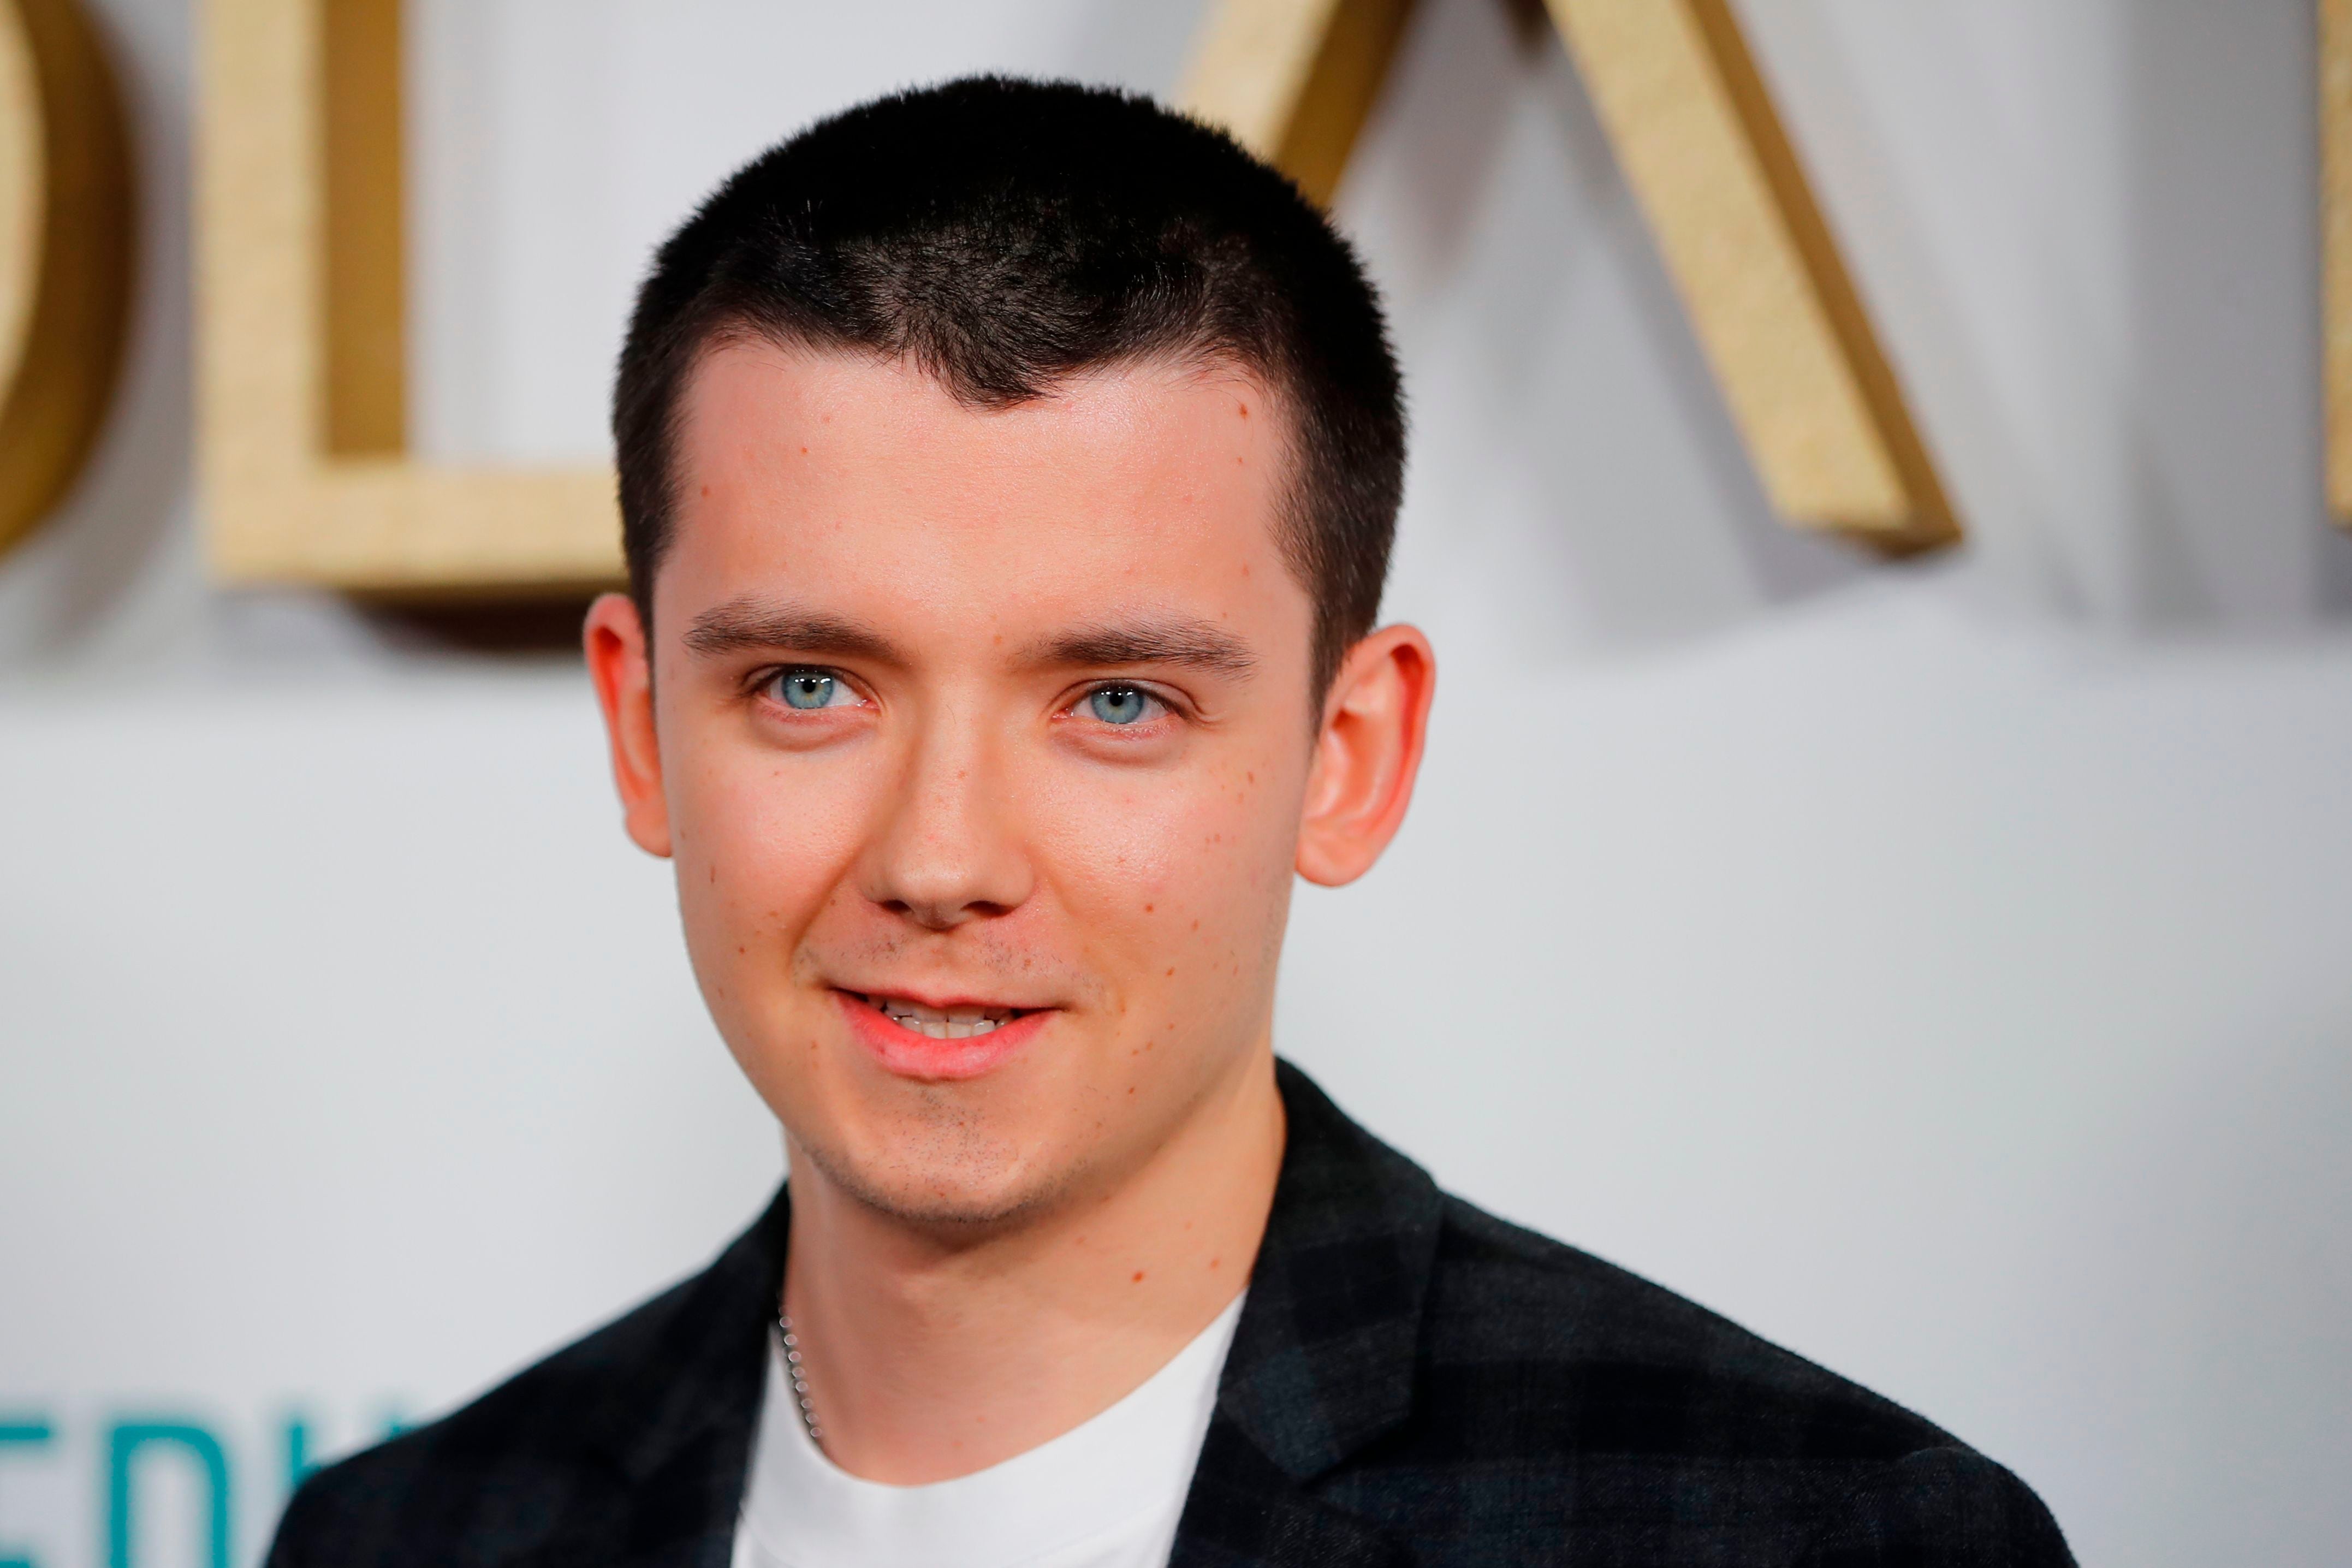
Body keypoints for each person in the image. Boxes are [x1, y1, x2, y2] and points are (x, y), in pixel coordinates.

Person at [265, 77, 2071, 1568]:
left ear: (1348, 755)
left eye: (1115, 702)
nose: (941, 860)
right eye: (809, 685)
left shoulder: (1812, 1542)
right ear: (639, 724)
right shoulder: (404, 1540)